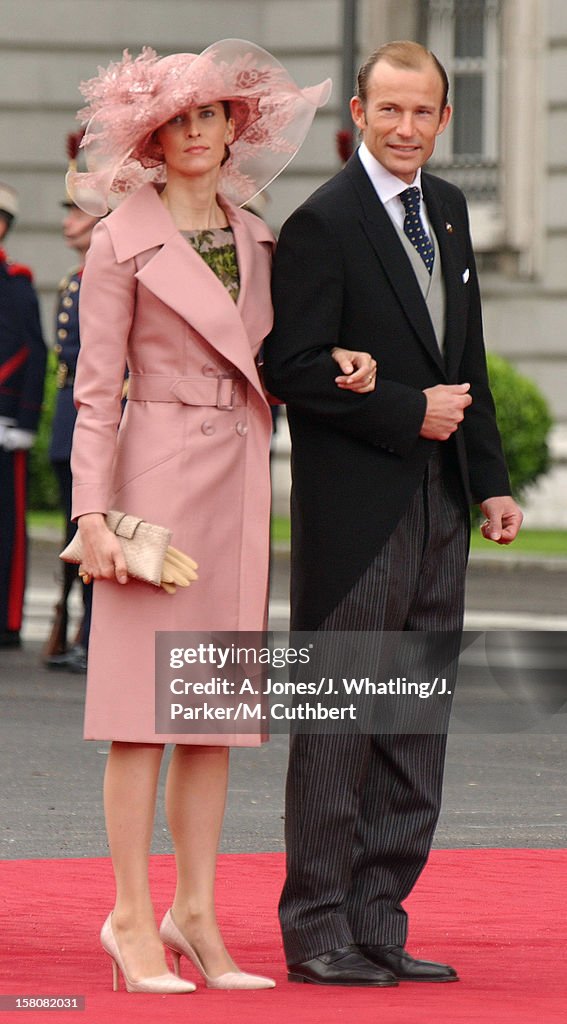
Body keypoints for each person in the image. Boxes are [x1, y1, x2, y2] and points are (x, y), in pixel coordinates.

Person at [67, 39, 368, 996]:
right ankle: (127, 915)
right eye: (178, 119)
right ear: (151, 136)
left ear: (234, 126)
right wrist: (93, 516)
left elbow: (276, 364)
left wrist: (343, 369)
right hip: (151, 492)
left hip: (237, 482)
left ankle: (193, 912)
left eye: (210, 115)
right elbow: (91, 393)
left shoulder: (258, 237)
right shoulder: (120, 236)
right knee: (138, 719)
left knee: (209, 715)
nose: (196, 132)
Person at [263, 41, 523, 987]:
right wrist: (405, 410)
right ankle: (317, 928)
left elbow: (469, 359)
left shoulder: (446, 210)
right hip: (354, 515)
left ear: (443, 118)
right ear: (359, 117)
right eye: (389, 112)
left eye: (423, 113)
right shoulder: (321, 223)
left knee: (412, 723)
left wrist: (489, 478)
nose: (406, 128)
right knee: (338, 721)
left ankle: (378, 919)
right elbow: (287, 369)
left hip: (443, 503)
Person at [44, 134, 99, 673]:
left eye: (77, 212)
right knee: (69, 529)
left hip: (97, 416)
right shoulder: (71, 281)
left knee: (93, 530)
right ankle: (72, 627)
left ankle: (91, 632)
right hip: (69, 418)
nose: (67, 221)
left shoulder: (103, 278)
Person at [0, 183, 47, 648]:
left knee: (6, 529)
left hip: (3, 425)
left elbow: (32, 352)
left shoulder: (15, 284)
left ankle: (7, 619)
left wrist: (24, 422)